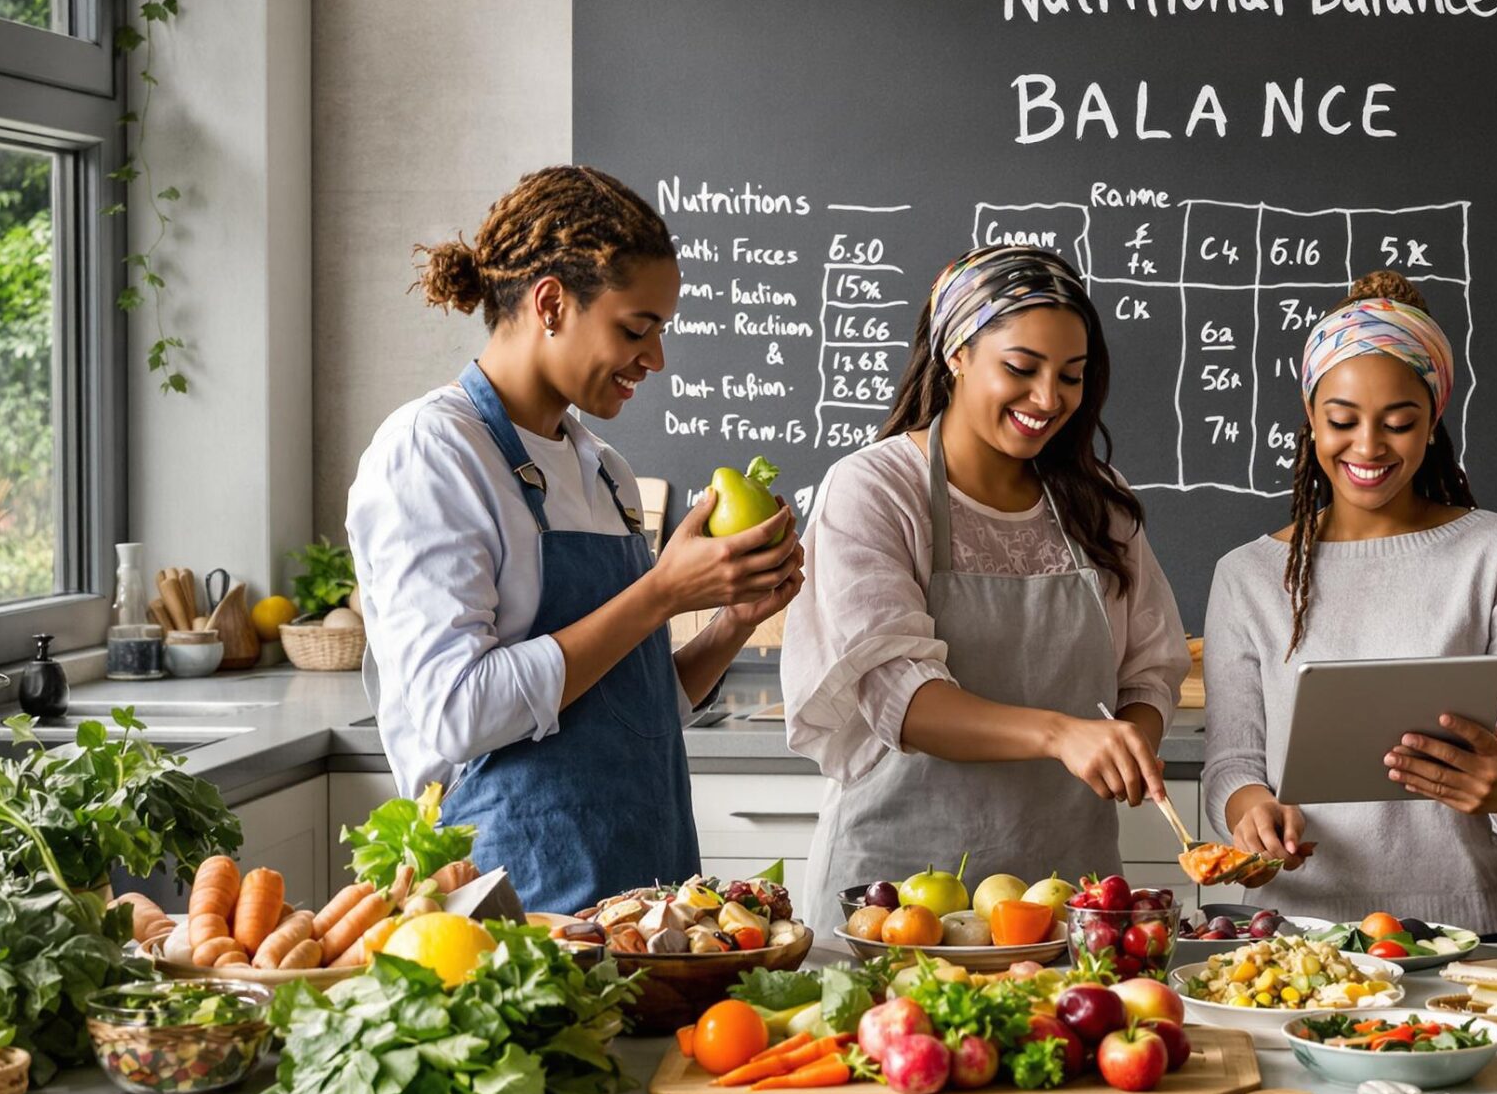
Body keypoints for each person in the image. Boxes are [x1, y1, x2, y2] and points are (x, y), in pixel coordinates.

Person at [348, 165, 802, 914]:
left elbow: (631, 710)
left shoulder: (606, 471)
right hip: (509, 912)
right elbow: (457, 711)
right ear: (552, 302)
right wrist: (660, 593)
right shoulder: (432, 453)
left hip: (646, 903)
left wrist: (731, 622)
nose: (655, 359)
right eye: (636, 328)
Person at [783, 244, 1190, 929]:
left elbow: (1149, 668)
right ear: (958, 354)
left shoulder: (1101, 503)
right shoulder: (876, 488)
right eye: (1021, 368)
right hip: (900, 898)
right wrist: (1063, 735)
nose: (1048, 398)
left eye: (1072, 376)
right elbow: (901, 699)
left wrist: (1131, 740)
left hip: (1067, 892)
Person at [1200, 271, 1497, 938]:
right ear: (1311, 420)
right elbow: (1233, 761)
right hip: (1292, 934)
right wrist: (1249, 809)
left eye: (1399, 422)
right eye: (1342, 420)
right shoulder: (1247, 575)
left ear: (1432, 422)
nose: (1368, 446)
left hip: (1465, 934)